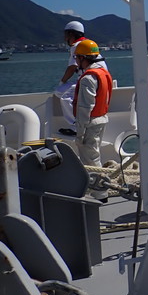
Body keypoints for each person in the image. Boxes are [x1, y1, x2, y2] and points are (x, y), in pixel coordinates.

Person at [73, 39, 113, 201]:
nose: (76, 61)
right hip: (101, 119)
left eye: (77, 58)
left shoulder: (88, 79)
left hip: (90, 123)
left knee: (90, 158)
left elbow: (85, 108)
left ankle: (100, 193)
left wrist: (80, 132)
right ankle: (98, 191)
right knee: (93, 155)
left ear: (83, 58)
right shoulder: (103, 73)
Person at [54, 21, 88, 136]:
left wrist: (62, 81)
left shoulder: (77, 46)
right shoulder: (87, 43)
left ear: (71, 34)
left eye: (66, 35)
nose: (65, 39)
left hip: (87, 80)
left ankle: (75, 126)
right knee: (63, 92)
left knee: (63, 95)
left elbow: (72, 67)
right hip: (93, 78)